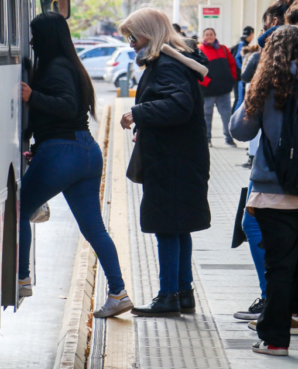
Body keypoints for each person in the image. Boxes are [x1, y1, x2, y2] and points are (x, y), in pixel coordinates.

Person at [19, 12, 133, 318]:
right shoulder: (72, 65)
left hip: (62, 152)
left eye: (34, 35)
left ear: (46, 37)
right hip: (85, 150)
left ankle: (21, 278)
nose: (31, 41)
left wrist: (33, 95)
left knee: (20, 210)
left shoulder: (55, 67)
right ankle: (118, 292)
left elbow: (67, 105)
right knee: (94, 229)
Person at [118, 7, 211, 317]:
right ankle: (183, 292)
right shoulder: (174, 61)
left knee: (167, 228)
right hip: (181, 157)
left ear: (149, 32)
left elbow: (178, 105)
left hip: (171, 161)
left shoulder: (166, 65)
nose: (130, 42)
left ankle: (168, 295)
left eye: (132, 35)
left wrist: (139, 114)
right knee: (178, 226)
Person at [230, 25, 298, 357]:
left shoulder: (267, 86)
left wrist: (252, 89)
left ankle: (275, 340)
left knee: (279, 267)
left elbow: (240, 130)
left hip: (273, 193)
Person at [198, 28, 237, 147]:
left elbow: (232, 64)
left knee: (227, 114)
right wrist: (207, 82)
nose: (209, 36)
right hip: (208, 91)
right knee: (206, 115)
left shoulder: (223, 49)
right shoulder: (199, 50)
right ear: (203, 36)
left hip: (224, 90)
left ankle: (229, 138)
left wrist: (232, 79)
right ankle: (207, 139)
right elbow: (197, 69)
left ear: (215, 35)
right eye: (207, 35)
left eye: (211, 34)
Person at [231, 26, 255, 112]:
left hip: (239, 76)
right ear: (251, 34)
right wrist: (244, 70)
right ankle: (234, 120)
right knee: (240, 99)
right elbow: (237, 58)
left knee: (240, 98)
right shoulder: (241, 44)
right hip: (239, 77)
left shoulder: (241, 42)